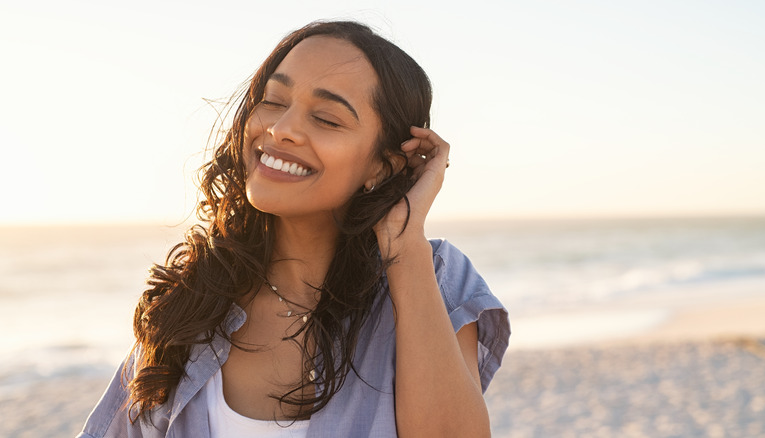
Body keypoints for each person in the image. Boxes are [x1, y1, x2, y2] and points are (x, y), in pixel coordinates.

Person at [79, 20, 509, 438]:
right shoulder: (191, 299)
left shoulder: (431, 277)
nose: (281, 130)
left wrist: (404, 245)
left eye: (326, 118)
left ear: (383, 164)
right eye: (273, 101)